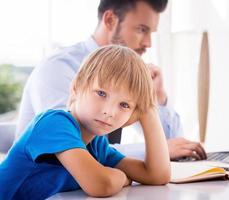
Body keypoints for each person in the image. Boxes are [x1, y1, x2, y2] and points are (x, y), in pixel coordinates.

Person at [16, 0, 206, 160]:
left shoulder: (129, 76)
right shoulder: (58, 68)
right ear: (110, 20)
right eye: (141, 30)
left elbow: (177, 146)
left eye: (150, 33)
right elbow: (73, 148)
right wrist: (154, 151)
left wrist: (157, 98)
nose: (148, 43)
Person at [0, 45, 171, 199]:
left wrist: (148, 110)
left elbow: (157, 175)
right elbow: (101, 185)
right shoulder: (54, 123)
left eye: (124, 105)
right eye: (101, 93)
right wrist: (122, 177)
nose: (109, 112)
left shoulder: (97, 145)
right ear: (76, 87)